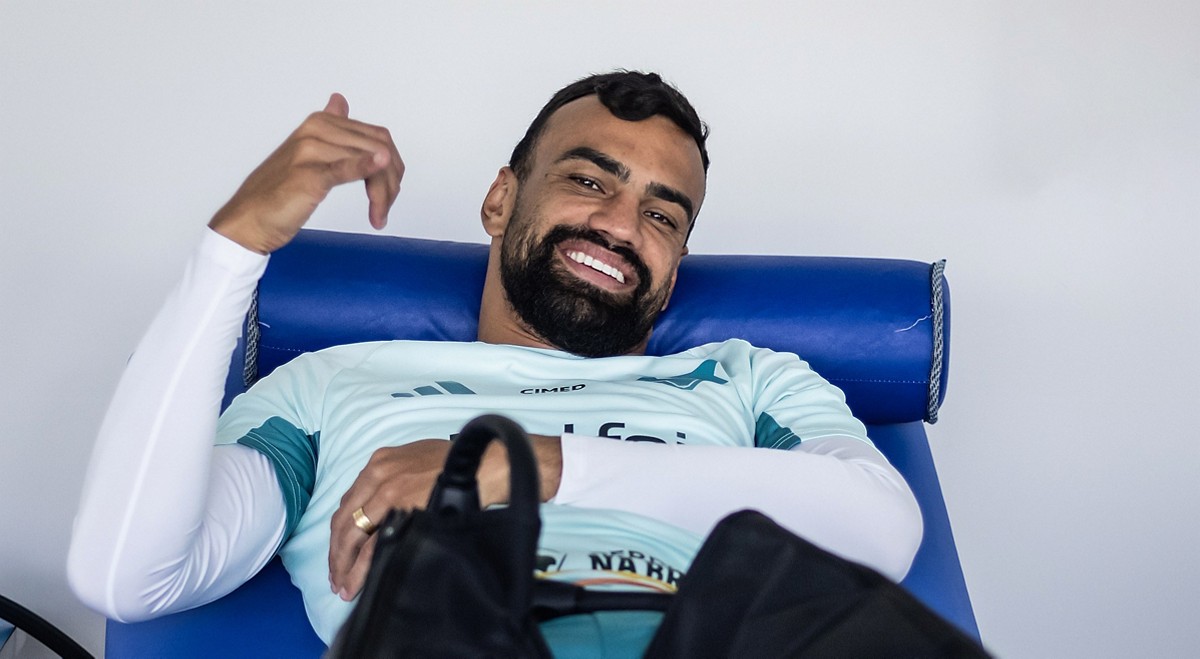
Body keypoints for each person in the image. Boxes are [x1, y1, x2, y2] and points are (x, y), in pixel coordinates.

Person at [68, 71, 922, 652]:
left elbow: (881, 528)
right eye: (589, 181)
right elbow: (127, 575)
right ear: (501, 199)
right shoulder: (331, 385)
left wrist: (528, 465)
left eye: (663, 216)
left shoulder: (746, 380)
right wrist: (234, 247)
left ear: (675, 269)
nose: (621, 226)